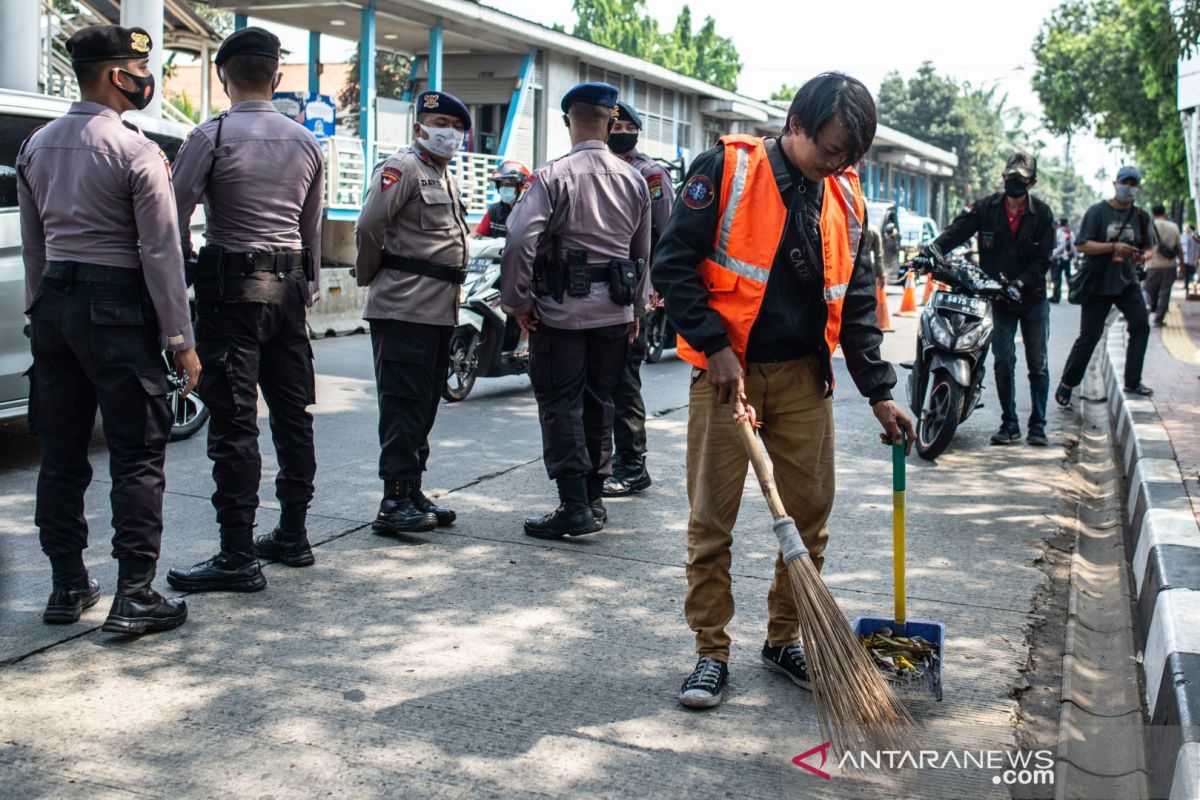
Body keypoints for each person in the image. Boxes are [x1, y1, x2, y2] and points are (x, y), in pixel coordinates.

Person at [652, 73, 914, 709]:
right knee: (713, 521)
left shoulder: (846, 198)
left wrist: (878, 389)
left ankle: (783, 639)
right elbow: (672, 264)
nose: (839, 164)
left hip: (803, 378)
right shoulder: (727, 171)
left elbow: (854, 302)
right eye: (831, 149)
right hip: (728, 376)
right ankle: (710, 652)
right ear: (796, 125)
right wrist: (713, 348)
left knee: (810, 516)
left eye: (851, 155)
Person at [17, 25, 196, 633]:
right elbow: (161, 253)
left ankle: (67, 587)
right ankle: (136, 595)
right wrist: (180, 338)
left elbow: (34, 244)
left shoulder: (36, 145)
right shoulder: (136, 150)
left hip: (54, 306)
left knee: (61, 455)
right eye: (140, 69)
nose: (147, 80)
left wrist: (42, 309)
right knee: (137, 456)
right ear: (119, 75)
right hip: (117, 308)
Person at [165, 27, 325, 593]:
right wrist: (302, 291)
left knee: (234, 424)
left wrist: (186, 269)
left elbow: (172, 217)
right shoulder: (306, 141)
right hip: (287, 295)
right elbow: (312, 233)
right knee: (292, 416)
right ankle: (294, 534)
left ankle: (237, 553)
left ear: (222, 76)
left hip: (231, 292)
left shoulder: (211, 136)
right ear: (276, 77)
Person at [500, 82, 652, 539]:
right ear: (610, 120)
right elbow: (642, 252)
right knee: (600, 402)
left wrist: (518, 303)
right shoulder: (634, 178)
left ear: (570, 120)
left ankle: (573, 506)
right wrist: (637, 309)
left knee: (560, 403)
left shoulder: (552, 176)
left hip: (561, 313)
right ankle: (594, 499)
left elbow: (519, 241)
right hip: (614, 313)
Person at [355, 91, 472, 535]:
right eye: (441, 122)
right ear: (420, 126)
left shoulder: (443, 175)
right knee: (403, 405)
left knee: (423, 407)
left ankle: (412, 489)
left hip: (439, 310)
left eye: (458, 126)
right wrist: (370, 277)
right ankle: (393, 499)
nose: (450, 133)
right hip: (403, 306)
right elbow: (369, 225)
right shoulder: (401, 167)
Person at [918, 153, 1055, 446]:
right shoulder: (985, 208)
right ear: (1003, 177)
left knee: (1038, 364)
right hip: (998, 299)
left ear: (1032, 182)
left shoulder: (1042, 214)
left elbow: (1044, 260)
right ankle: (1010, 423)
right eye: (1010, 177)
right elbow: (955, 233)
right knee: (1003, 360)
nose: (1014, 182)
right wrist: (930, 251)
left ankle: (1038, 425)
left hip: (1032, 299)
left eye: (1021, 178)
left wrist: (1020, 283)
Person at [604, 100, 675, 497]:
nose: (617, 130)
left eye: (624, 125)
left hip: (634, 290)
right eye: (611, 123)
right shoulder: (593, 167)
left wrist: (655, 289)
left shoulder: (649, 174)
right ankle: (604, 460)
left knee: (623, 379)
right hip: (595, 292)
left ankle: (632, 463)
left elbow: (667, 234)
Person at [1056, 166, 1155, 404]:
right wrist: (1113, 247)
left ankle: (1133, 381)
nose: (1128, 188)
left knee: (1141, 325)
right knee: (1090, 336)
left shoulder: (1141, 217)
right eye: (1125, 182)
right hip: (1098, 283)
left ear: (1138, 187)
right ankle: (1067, 384)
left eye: (1133, 184)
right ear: (1115, 184)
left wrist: (1140, 256)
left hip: (1127, 282)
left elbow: (1150, 249)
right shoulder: (1098, 212)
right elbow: (1082, 245)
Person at [1143, 204, 1182, 326]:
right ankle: (1158, 319)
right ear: (1164, 213)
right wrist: (1182, 263)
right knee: (1165, 292)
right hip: (1169, 264)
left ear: (1152, 214)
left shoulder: (1148, 226)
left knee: (1148, 290)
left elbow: (1143, 245)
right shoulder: (1173, 226)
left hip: (1151, 264)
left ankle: (1148, 306)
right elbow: (1178, 247)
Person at [472, 160, 530, 239]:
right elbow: (477, 236)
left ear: (521, 187)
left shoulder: (532, 214)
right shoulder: (494, 211)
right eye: (501, 184)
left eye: (508, 184)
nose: (503, 188)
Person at [1049, 216, 1075, 303]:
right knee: (1068, 276)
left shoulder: (1058, 232)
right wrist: (1076, 256)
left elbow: (1061, 246)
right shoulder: (1069, 232)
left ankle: (1056, 296)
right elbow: (1073, 246)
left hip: (1058, 258)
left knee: (1057, 277)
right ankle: (1072, 294)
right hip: (1066, 258)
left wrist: (1052, 255)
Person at [1182, 224, 1199, 297]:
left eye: (1187, 229)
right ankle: (1186, 288)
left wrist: (1196, 259)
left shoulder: (1195, 238)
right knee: (1186, 274)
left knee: (1193, 275)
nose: (1186, 230)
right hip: (1186, 259)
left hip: (1192, 260)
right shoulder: (1185, 237)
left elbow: (1198, 250)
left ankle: (1194, 289)